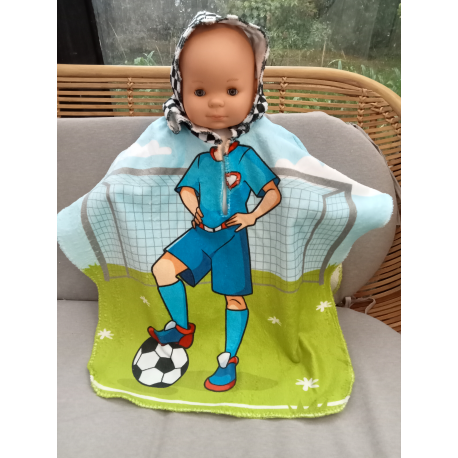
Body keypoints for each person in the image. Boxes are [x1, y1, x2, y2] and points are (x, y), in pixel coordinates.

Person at [149, 22, 282, 392]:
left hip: (230, 237)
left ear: (253, 91)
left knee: (233, 298)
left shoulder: (248, 157)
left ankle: (228, 360)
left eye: (232, 90)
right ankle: (182, 328)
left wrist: (252, 215)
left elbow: (272, 192)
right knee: (163, 268)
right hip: (200, 234)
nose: (217, 101)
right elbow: (186, 189)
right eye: (200, 91)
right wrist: (193, 206)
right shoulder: (202, 159)